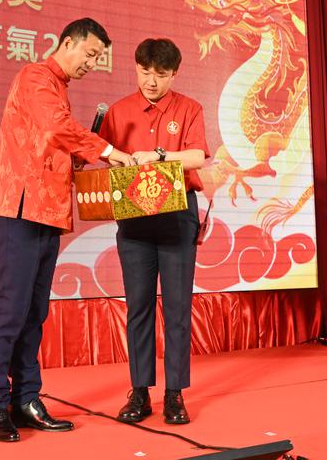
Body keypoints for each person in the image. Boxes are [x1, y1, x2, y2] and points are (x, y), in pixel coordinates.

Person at [0, 17, 135, 443]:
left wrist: (79, 158)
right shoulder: (36, 77)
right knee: (13, 308)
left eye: (98, 58)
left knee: (35, 312)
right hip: (18, 208)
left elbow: (52, 145)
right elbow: (55, 127)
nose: (92, 64)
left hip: (47, 211)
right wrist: (107, 150)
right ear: (67, 43)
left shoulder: (59, 88)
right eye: (90, 54)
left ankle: (26, 399)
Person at [98, 38, 209, 425]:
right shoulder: (118, 111)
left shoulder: (189, 109)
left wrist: (159, 155)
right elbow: (103, 156)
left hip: (178, 216)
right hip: (134, 219)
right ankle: (140, 392)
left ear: (174, 74)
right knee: (139, 306)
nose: (151, 81)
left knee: (177, 308)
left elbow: (197, 157)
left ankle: (175, 393)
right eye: (144, 72)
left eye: (160, 75)